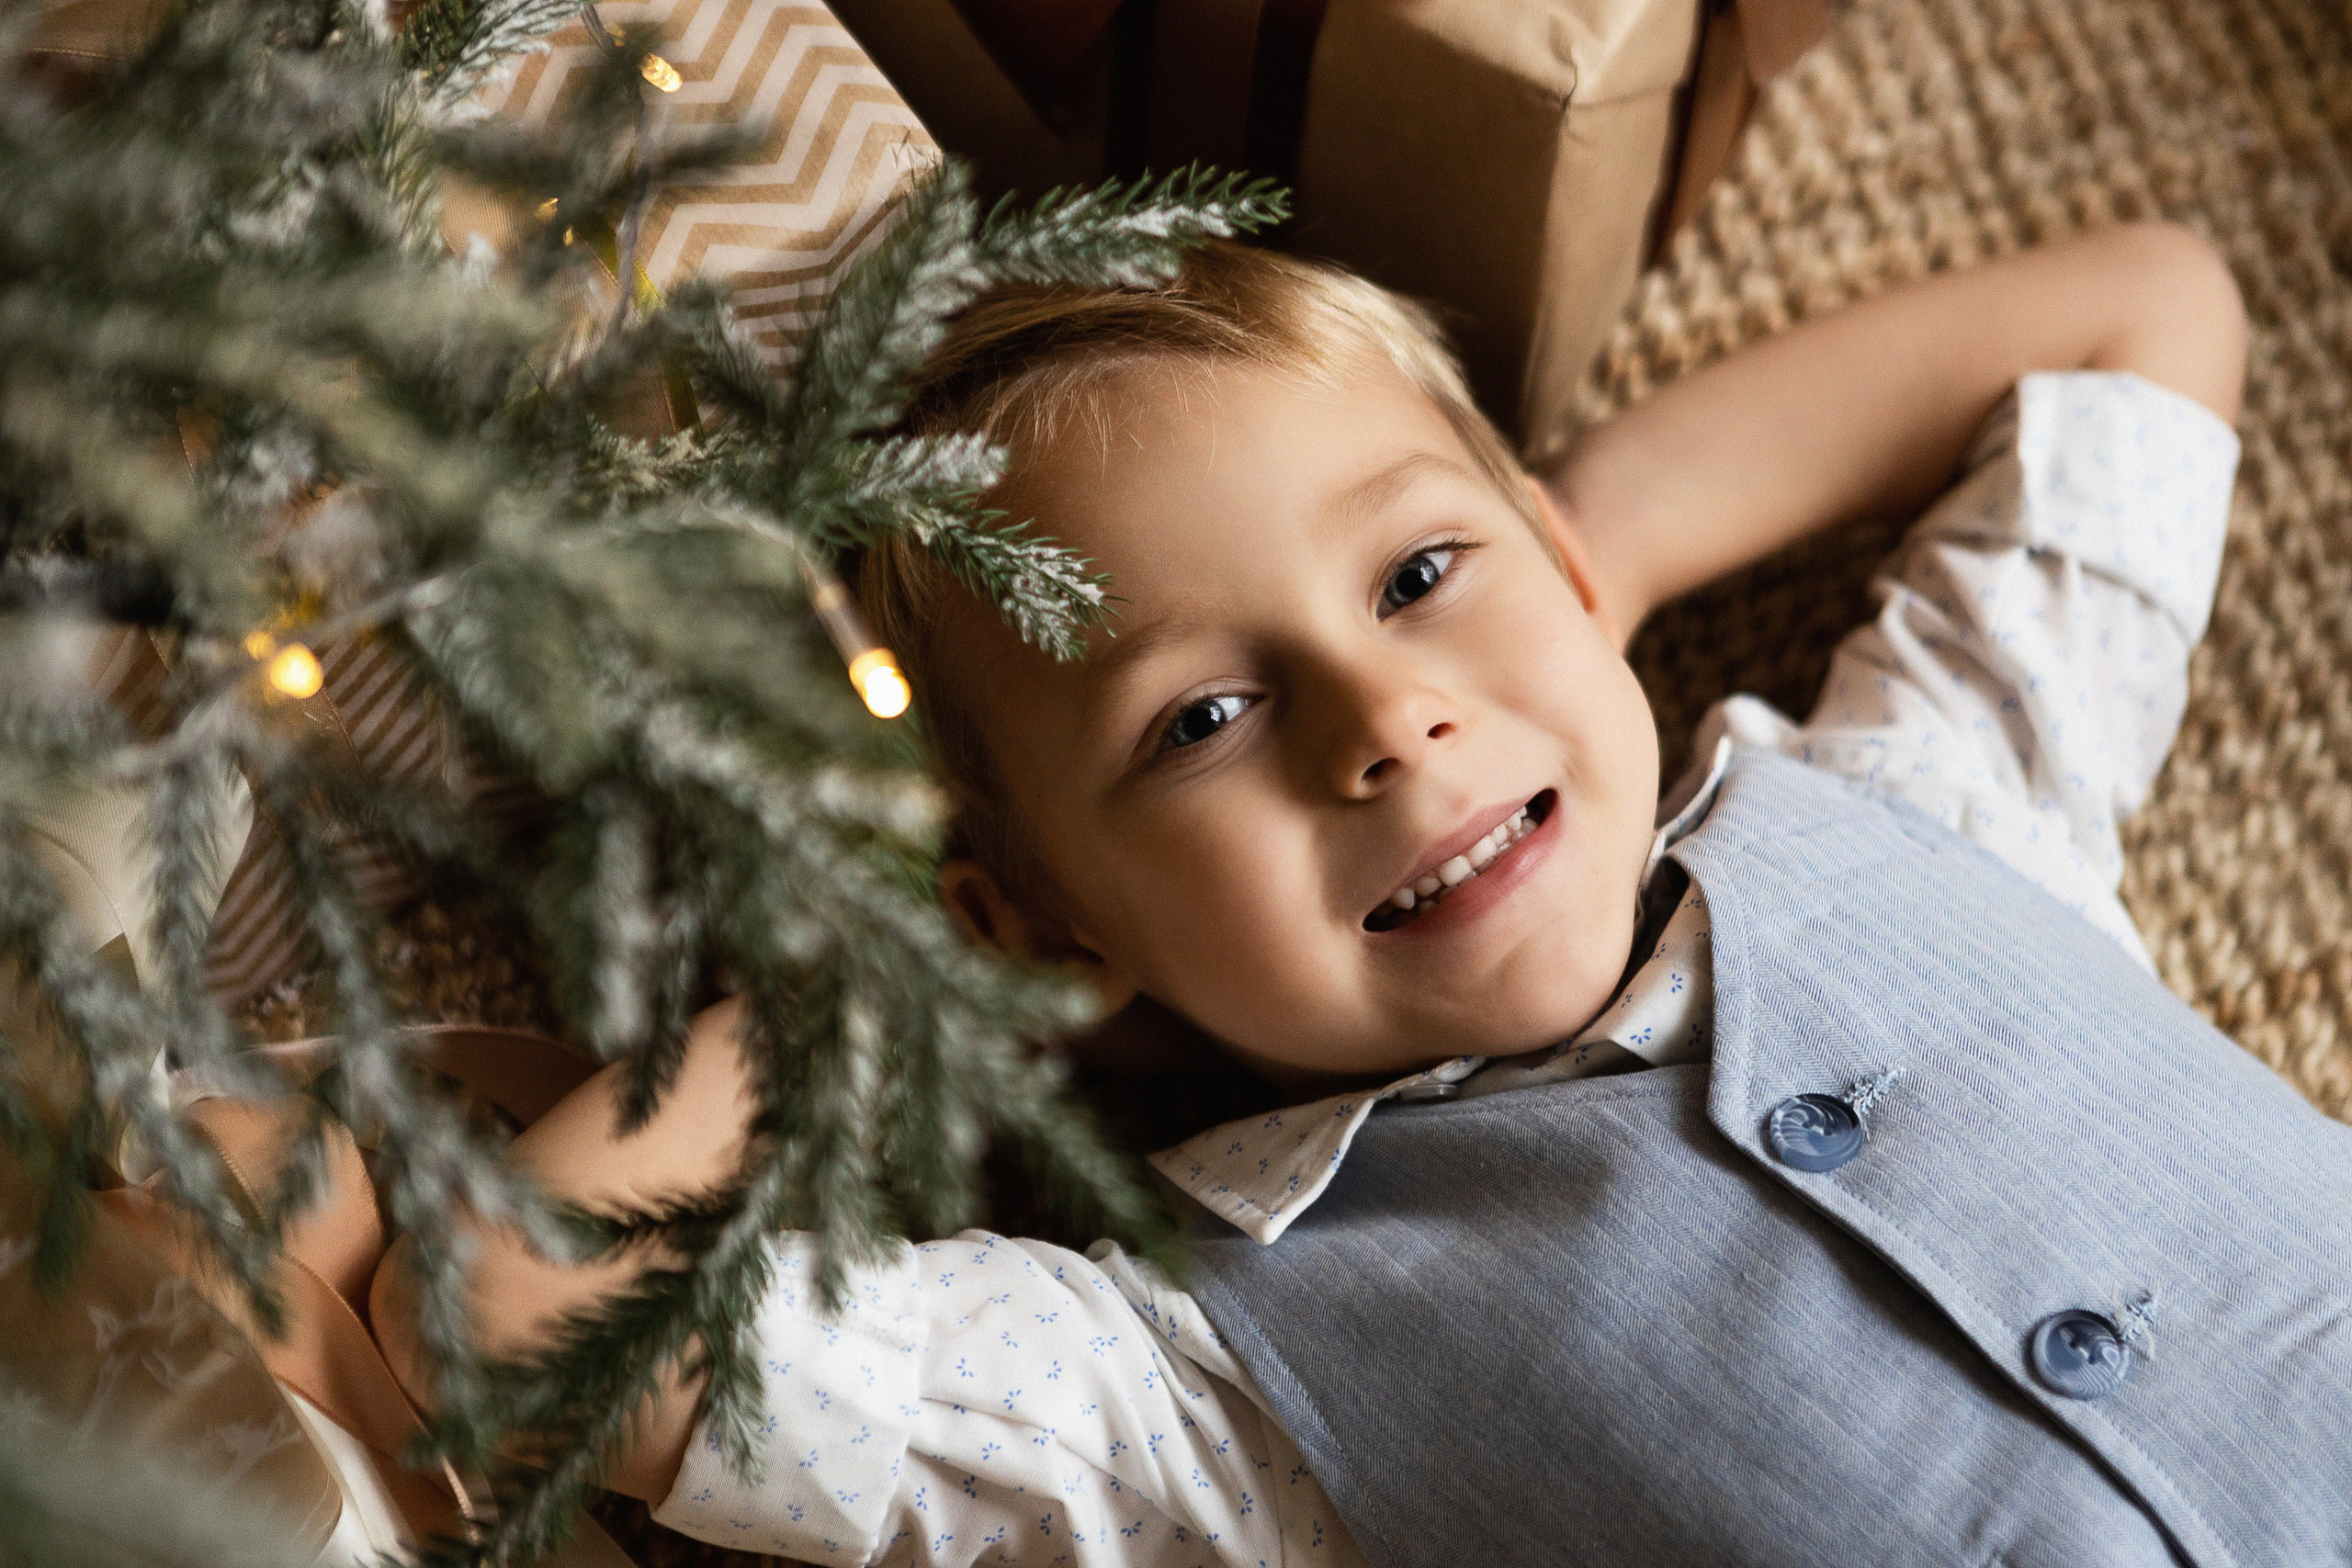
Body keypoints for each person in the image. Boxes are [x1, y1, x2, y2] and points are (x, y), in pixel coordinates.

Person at [380, 220, 2352, 1566]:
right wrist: (869, 959)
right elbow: (518, 1302)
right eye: (1202, 715)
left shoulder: (1930, 799)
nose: (1385, 718)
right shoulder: (1211, 1376)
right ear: (1049, 925)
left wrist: (1593, 540)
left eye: (1416, 578)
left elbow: (2142, 312)